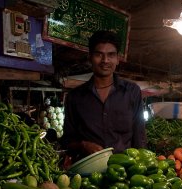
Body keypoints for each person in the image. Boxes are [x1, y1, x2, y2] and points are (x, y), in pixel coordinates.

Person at [61, 30, 147, 160]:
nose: (105, 60)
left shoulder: (132, 92)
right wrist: (83, 145)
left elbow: (139, 136)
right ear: (90, 57)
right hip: (88, 175)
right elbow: (67, 141)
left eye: (111, 55)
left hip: (124, 172)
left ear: (118, 59)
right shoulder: (75, 97)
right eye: (99, 55)